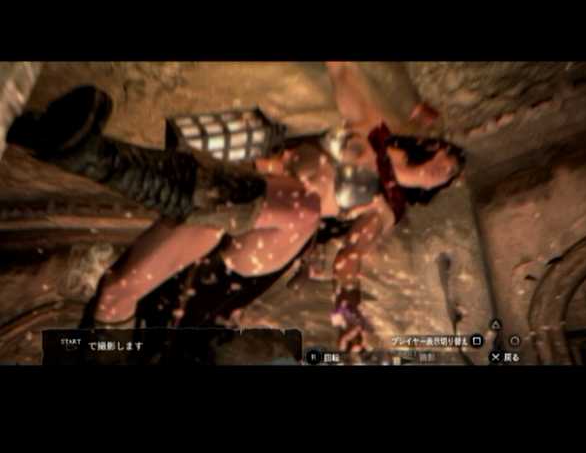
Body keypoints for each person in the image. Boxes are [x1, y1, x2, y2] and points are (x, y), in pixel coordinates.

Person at [7, 62, 462, 352]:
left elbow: (348, 262)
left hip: (262, 243)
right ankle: (67, 147)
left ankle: (85, 154)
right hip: (234, 195)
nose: (445, 162)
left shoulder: (385, 207)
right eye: (447, 155)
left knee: (299, 209)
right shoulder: (371, 131)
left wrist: (349, 317)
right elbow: (342, 68)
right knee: (118, 291)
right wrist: (408, 99)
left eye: (449, 172)